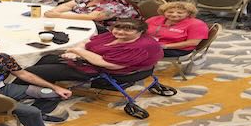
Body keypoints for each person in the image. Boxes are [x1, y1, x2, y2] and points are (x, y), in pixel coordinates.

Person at [24, 18, 163, 84]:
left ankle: (29, 92)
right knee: (46, 57)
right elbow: (90, 41)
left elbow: (109, 64)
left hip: (104, 70)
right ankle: (44, 84)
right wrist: (76, 52)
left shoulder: (138, 46)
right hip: (87, 60)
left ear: (141, 32)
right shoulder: (114, 35)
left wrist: (77, 51)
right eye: (118, 28)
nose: (120, 32)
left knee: (31, 71)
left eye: (127, 30)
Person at [45, 0, 139, 26]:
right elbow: (68, 5)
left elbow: (91, 17)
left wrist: (59, 15)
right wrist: (53, 11)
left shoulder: (115, 4)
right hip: (82, 22)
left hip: (113, 30)